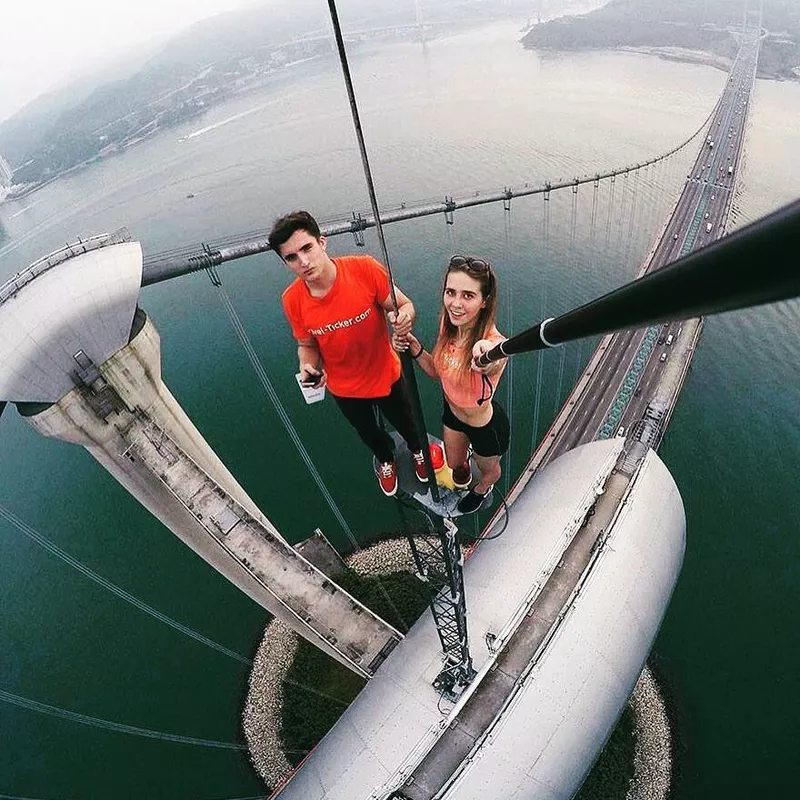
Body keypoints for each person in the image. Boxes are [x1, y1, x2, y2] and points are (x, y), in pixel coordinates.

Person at [269, 210, 427, 497]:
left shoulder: (364, 270)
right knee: (369, 433)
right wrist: (307, 367)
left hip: (385, 375)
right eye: (291, 257)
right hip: (345, 388)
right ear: (285, 262)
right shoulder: (292, 300)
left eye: (307, 248)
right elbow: (307, 345)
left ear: (322, 243)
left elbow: (405, 306)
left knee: (408, 423)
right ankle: (387, 459)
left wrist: (403, 317)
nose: (303, 262)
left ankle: (419, 452)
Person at [396, 255, 509, 514]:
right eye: (451, 292)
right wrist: (415, 349)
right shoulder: (449, 329)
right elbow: (439, 372)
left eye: (468, 295)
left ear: (484, 302)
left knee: (489, 472)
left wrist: (485, 356)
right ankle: (463, 471)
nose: (456, 304)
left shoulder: (493, 344)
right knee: (455, 463)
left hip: (485, 427)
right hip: (453, 416)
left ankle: (482, 490)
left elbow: (491, 356)